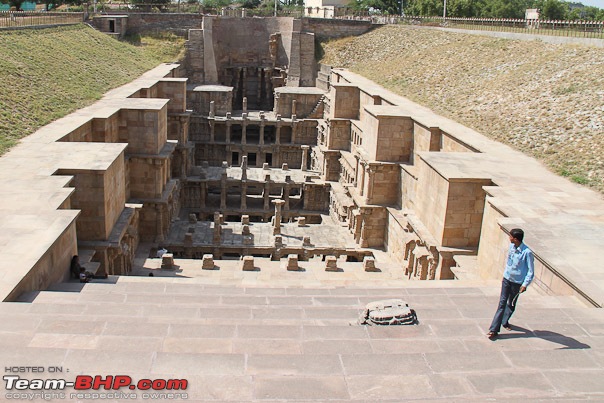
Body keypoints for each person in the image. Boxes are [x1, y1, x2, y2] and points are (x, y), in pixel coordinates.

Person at [487, 228, 534, 340]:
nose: (509, 238)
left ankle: (505, 320)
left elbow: (531, 271)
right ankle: (494, 329)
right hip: (507, 279)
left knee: (511, 303)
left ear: (516, 239)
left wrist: (525, 284)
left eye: (511, 236)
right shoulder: (511, 247)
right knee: (502, 303)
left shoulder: (527, 253)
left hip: (517, 282)